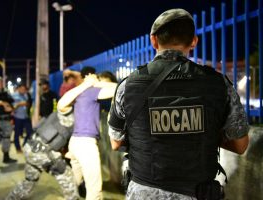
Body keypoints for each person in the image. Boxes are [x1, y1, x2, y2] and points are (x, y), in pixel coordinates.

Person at [107, 9, 249, 200]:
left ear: (153, 40)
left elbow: (116, 142)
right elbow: (240, 145)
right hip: (198, 192)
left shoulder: (128, 86)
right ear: (194, 41)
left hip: (143, 191)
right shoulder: (218, 84)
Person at [57, 67, 117, 200]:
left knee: (75, 181)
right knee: (94, 189)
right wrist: (96, 83)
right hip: (86, 145)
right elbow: (119, 88)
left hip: (75, 143)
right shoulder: (91, 91)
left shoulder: (79, 93)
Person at [6, 110, 79, 200]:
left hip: (30, 147)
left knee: (30, 180)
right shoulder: (75, 117)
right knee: (67, 177)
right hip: (44, 154)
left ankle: (11, 198)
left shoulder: (59, 111)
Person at [12, 83, 33, 153]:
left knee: (30, 132)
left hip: (26, 116)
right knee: (17, 133)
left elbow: (28, 104)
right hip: (18, 117)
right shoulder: (13, 96)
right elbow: (11, 108)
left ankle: (25, 144)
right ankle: (17, 147)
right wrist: (19, 104)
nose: (24, 91)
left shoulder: (26, 95)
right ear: (18, 89)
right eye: (22, 89)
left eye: (25, 89)